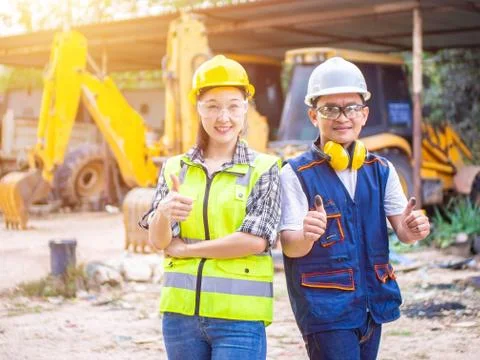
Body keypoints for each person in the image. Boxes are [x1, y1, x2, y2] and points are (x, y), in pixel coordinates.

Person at [279, 56, 430, 360]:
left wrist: (414, 229)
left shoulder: (381, 169)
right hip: (325, 311)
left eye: (350, 108)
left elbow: (403, 231)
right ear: (312, 115)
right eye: (330, 109)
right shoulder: (294, 173)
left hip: (373, 304)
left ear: (364, 114)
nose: (342, 117)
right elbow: (290, 247)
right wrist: (307, 235)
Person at [140, 55, 281, 360]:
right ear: (198, 108)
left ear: (246, 107)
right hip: (180, 317)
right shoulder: (175, 167)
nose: (223, 117)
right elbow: (158, 241)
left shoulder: (264, 168)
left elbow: (255, 239)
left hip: (240, 319)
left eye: (233, 105)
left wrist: (187, 250)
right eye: (213, 106)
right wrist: (163, 212)